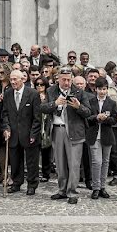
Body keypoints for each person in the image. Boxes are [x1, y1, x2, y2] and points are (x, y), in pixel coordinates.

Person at [42, 68, 92, 204]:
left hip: (74, 131)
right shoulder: (51, 91)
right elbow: (43, 108)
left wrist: (78, 106)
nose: (66, 82)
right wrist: (55, 104)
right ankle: (62, 190)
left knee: (74, 163)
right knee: (60, 163)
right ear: (58, 79)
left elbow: (88, 112)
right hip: (57, 129)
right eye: (64, 79)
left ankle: (72, 192)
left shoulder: (79, 92)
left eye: (69, 80)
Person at [1, 70, 41, 196]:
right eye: (11, 79)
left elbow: (37, 117)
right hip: (13, 133)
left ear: (22, 79)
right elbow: (5, 113)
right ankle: (16, 183)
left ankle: (32, 184)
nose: (12, 82)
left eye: (15, 79)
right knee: (15, 160)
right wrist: (6, 128)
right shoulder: (7, 94)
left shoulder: (33, 93)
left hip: (29, 133)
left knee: (31, 161)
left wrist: (34, 134)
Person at [85, 77, 117, 199]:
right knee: (96, 162)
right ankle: (96, 187)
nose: (102, 92)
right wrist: (96, 117)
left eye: (104, 89)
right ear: (96, 89)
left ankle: (103, 187)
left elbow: (114, 120)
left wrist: (106, 119)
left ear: (107, 89)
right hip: (94, 135)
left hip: (106, 135)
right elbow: (87, 117)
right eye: (100, 89)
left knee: (105, 162)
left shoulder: (112, 103)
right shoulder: (91, 101)